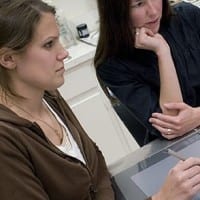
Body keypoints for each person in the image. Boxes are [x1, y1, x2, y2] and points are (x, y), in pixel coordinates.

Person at [0, 0, 115, 199]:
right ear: (8, 59)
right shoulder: (6, 139)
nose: (63, 53)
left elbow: (97, 170)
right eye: (48, 44)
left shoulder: (49, 95)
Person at [94, 0, 200, 145]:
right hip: (179, 148)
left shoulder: (188, 16)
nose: (153, 11)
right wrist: (163, 52)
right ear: (116, 12)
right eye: (139, 4)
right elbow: (172, 124)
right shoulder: (112, 66)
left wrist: (196, 116)